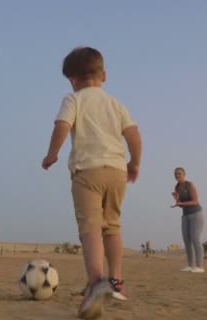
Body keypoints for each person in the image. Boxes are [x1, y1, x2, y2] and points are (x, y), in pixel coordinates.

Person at [42, 46, 142, 319]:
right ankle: (115, 280)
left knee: (90, 229)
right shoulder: (116, 103)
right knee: (112, 227)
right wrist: (134, 163)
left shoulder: (73, 99)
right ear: (104, 76)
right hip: (118, 172)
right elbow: (134, 135)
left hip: (88, 171)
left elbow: (61, 126)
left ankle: (96, 282)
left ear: (72, 79)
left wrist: (52, 154)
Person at [171, 167, 205, 273]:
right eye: (176, 174)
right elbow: (181, 205)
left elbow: (195, 201)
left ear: (184, 174)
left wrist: (181, 203)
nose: (177, 175)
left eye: (179, 174)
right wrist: (177, 200)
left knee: (195, 239)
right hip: (185, 215)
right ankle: (190, 265)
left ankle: (199, 266)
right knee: (186, 240)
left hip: (196, 214)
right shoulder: (177, 187)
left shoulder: (189, 185)